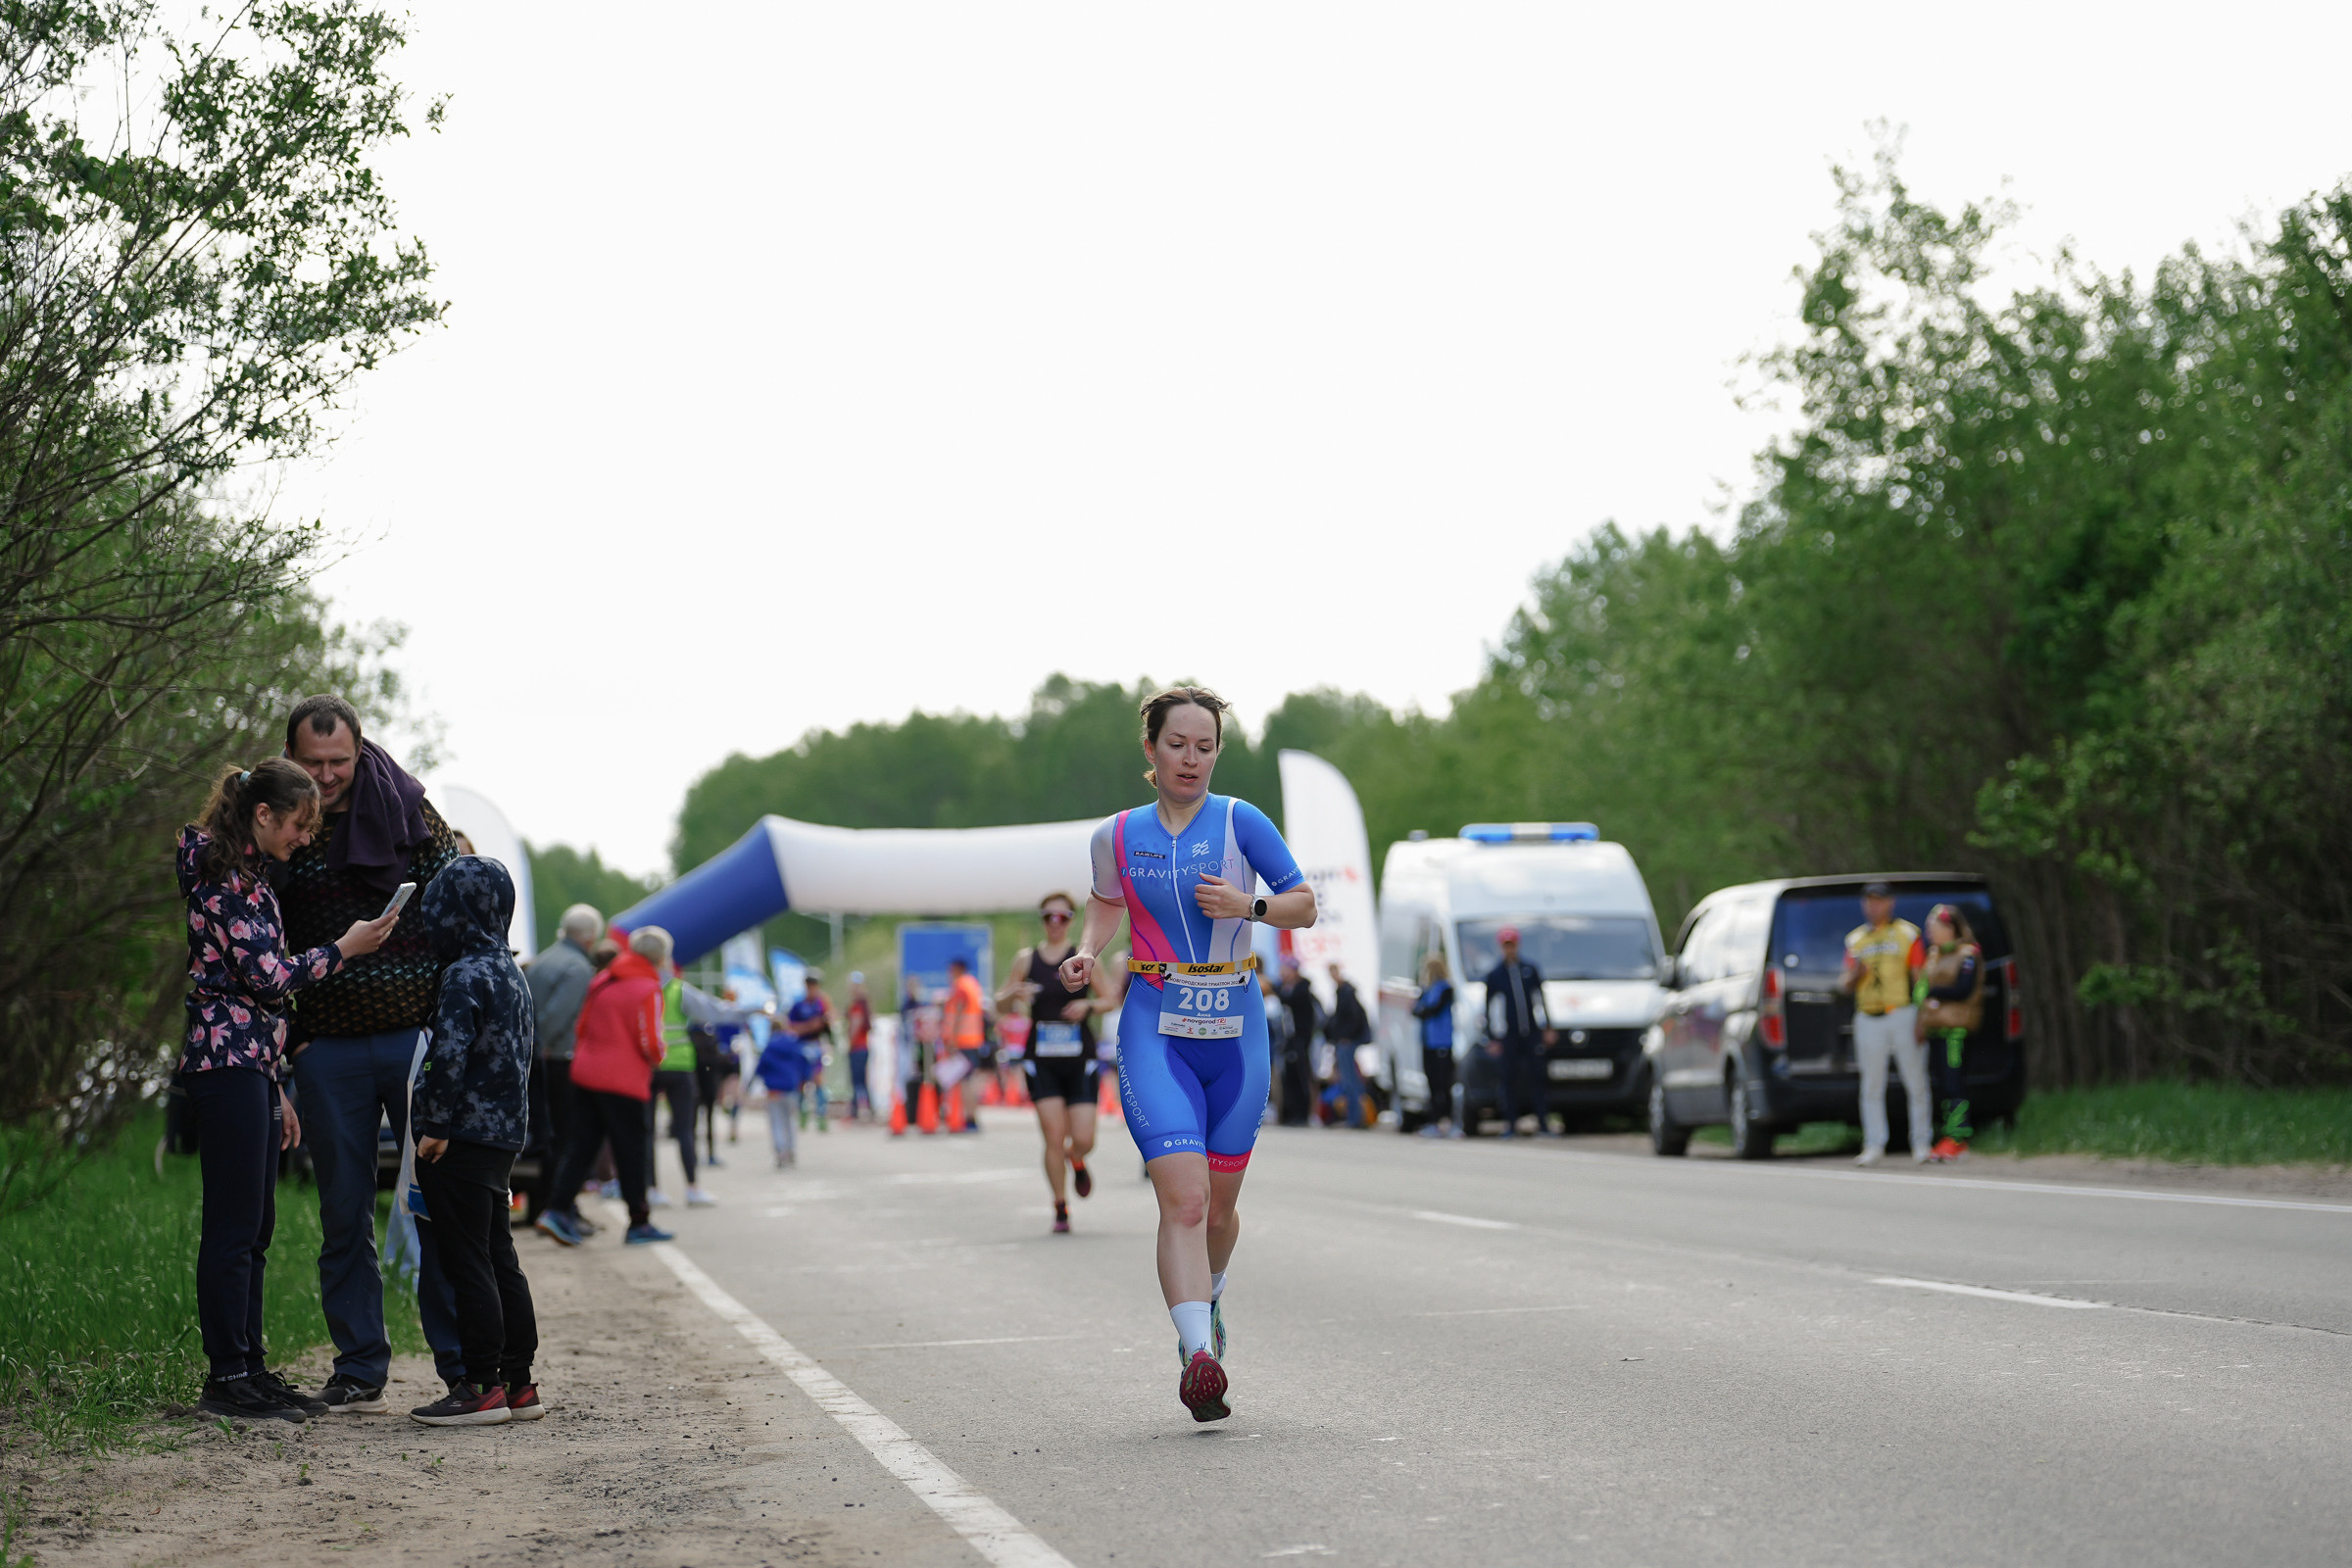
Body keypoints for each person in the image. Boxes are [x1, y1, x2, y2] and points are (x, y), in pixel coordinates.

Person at [1059, 687, 1318, 1424]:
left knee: (1220, 1211)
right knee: (1184, 1197)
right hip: (1154, 1022)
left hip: (1235, 1027)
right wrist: (1086, 951)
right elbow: (1107, 903)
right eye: (1178, 745)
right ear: (1151, 749)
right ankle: (1198, 1355)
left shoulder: (1242, 822)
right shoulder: (1117, 834)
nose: (1192, 760)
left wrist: (1248, 907)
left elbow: (1302, 902)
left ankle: (1212, 1296)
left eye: (1206, 747)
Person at [176, 760, 399, 1423]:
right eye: (300, 826)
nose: (306, 839)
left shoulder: (249, 879)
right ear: (264, 816)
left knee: (257, 1226)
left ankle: (249, 1366)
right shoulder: (225, 882)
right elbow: (270, 981)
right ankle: (226, 1378)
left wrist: (275, 1087)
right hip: (223, 1063)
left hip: (248, 1064)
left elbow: (258, 1002)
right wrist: (345, 948)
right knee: (234, 1226)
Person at [275, 694, 466, 1413]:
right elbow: (261, 938)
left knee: (434, 1207)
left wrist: (453, 1025)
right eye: (312, 763)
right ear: (290, 758)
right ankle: (359, 1366)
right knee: (343, 1214)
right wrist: (293, 1041)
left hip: (411, 1039)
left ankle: (459, 1367)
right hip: (327, 1049)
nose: (326, 777)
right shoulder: (282, 824)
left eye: (339, 762)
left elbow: (460, 906)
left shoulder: (413, 815)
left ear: (361, 751)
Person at [407, 858, 542, 1427]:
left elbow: (449, 1055)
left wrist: (434, 1126)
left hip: (459, 1134)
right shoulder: (511, 973)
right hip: (503, 1134)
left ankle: (479, 1384)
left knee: (467, 1260)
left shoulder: (462, 974)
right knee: (499, 1256)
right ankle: (518, 1381)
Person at [536, 927, 675, 1246]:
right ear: (659, 957)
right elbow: (651, 1041)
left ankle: (555, 1210)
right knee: (632, 1150)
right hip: (623, 1079)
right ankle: (639, 1222)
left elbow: (581, 1024)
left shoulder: (603, 980)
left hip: (586, 1071)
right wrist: (658, 1057)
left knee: (581, 1145)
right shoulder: (647, 988)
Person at [999, 892, 1111, 1234]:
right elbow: (999, 1004)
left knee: (1083, 1137)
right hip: (1042, 1060)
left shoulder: (1084, 956)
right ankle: (1060, 1207)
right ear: (1042, 920)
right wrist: (1013, 996)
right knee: (1053, 1135)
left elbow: (1110, 997)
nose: (1055, 923)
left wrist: (1087, 1007)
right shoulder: (1026, 959)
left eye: (1062, 917)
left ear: (1072, 921)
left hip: (1079, 1059)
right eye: (1049, 916)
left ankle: (1076, 1158)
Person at [1839, 881, 1928, 1166]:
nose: (1872, 906)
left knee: (1915, 1080)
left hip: (1901, 1012)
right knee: (1871, 1084)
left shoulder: (1907, 933)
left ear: (1890, 902)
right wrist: (1855, 975)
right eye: (1868, 901)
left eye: (1878, 900)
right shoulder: (1855, 940)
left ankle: (1921, 1143)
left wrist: (1922, 1015)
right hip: (1868, 1016)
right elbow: (1844, 984)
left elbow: (1919, 978)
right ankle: (1874, 1145)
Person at [526, 904, 603, 1231]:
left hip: (537, 1058)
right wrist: (544, 1043)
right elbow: (558, 1016)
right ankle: (560, 1208)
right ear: (590, 937)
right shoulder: (578, 967)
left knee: (546, 1134)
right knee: (568, 1137)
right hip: (559, 1059)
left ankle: (544, 1206)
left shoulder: (543, 959)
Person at [1915, 904, 1984, 1162]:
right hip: (1935, 1029)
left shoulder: (1968, 954)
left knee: (1955, 1084)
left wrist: (1935, 994)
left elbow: (1962, 990)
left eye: (1934, 927)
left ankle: (1958, 1138)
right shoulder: (1933, 955)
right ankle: (1949, 1136)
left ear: (1950, 928)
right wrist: (1924, 1005)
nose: (1930, 932)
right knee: (1944, 1085)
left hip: (1956, 1030)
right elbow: (1920, 989)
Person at [1481, 926, 1557, 1138]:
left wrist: (1547, 1026)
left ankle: (1543, 1123)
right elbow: (1489, 1008)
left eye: (1512, 944)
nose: (1509, 949)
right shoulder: (1495, 975)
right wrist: (1492, 1036)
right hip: (1509, 1035)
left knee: (1538, 1077)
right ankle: (1511, 1124)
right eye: (1506, 945)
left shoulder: (1530, 969)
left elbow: (1540, 1000)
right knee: (1508, 1079)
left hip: (1531, 1032)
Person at [940, 956, 988, 1133]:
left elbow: (959, 1012)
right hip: (973, 1040)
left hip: (963, 1041)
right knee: (969, 1080)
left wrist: (951, 1039)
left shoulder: (960, 986)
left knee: (965, 1082)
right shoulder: (972, 984)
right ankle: (970, 1117)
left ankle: (970, 1118)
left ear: (956, 969)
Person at [1413, 955, 1458, 1138]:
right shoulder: (1426, 990)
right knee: (1431, 1084)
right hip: (1428, 1042)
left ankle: (1447, 1121)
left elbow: (1432, 1009)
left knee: (1443, 1084)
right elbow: (1416, 1011)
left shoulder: (1445, 989)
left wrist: (1424, 1010)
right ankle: (1434, 1121)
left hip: (1442, 1042)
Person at [754, 1022, 809, 1167]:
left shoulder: (769, 1047)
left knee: (777, 1122)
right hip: (791, 1088)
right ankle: (790, 1150)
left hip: (773, 1091)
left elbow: (760, 1069)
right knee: (790, 1122)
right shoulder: (794, 1044)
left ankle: (779, 1151)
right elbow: (804, 1063)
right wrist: (803, 1080)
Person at [1323, 962, 1371, 1129]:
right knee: (1350, 1080)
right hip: (1345, 1040)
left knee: (1351, 1080)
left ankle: (1356, 1118)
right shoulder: (1344, 991)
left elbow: (1352, 1017)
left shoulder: (1346, 992)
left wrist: (1346, 1037)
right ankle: (1356, 1117)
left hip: (1346, 1042)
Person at [1275, 957, 1321, 1128]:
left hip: (1301, 1040)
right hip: (1289, 1039)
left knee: (1302, 1076)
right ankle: (1292, 1114)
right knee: (1290, 1076)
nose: (1282, 974)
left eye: (1285, 970)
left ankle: (1304, 1113)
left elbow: (1289, 1000)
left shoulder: (1302, 990)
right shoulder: (1288, 988)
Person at [788, 971, 835, 1131]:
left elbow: (830, 1022)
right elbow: (791, 1028)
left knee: (819, 1080)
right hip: (801, 1045)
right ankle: (802, 1113)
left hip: (816, 1044)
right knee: (802, 1082)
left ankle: (821, 1115)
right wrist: (810, 1026)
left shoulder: (821, 1004)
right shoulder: (798, 1005)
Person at [844, 973, 875, 1121]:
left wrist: (850, 1042)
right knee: (863, 1081)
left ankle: (856, 1111)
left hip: (858, 1047)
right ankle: (868, 1109)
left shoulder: (858, 1005)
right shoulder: (865, 1004)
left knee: (857, 1081)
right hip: (864, 1046)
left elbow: (856, 1025)